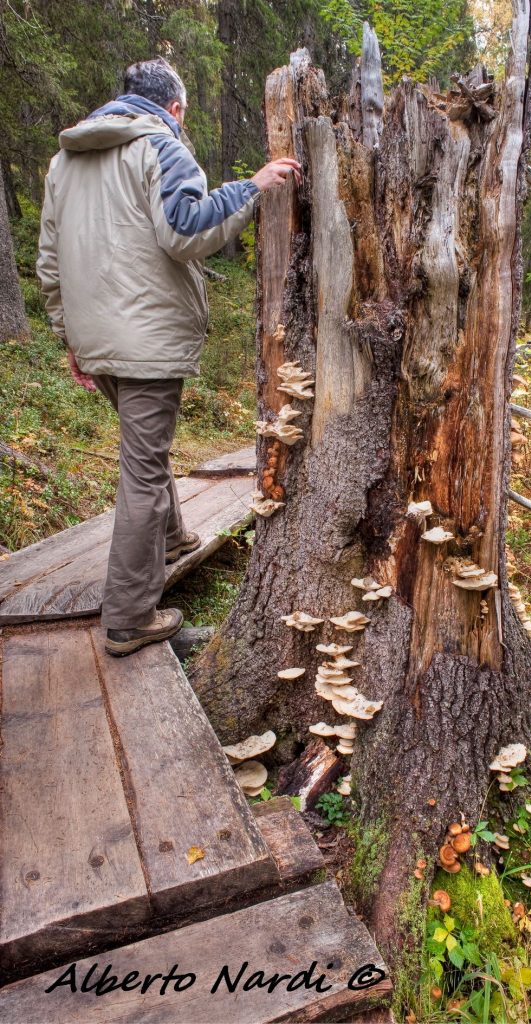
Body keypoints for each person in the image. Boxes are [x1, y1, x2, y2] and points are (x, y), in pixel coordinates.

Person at [37, 57, 300, 657]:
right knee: (143, 471)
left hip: (97, 340)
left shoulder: (63, 162)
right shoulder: (163, 147)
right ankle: (128, 617)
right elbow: (186, 234)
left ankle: (175, 539)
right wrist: (250, 186)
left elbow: (49, 265)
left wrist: (70, 339)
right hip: (148, 340)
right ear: (174, 107)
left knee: (144, 455)